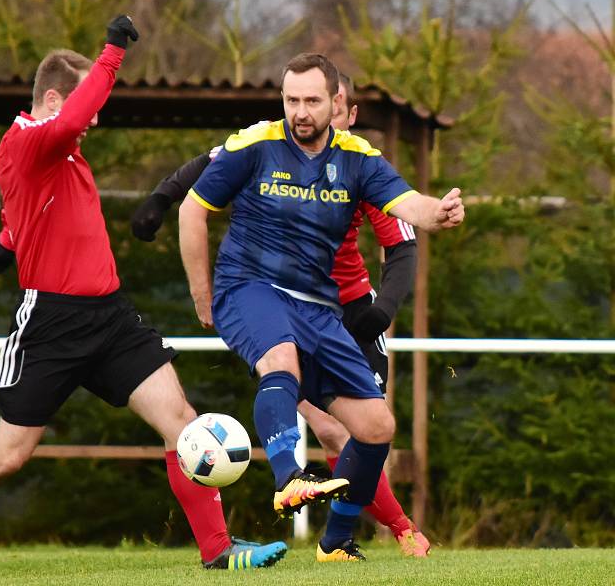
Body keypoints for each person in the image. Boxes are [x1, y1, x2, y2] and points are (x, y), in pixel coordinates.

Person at [0, 16, 286, 572]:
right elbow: (64, 131)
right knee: (8, 456)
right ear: (52, 98)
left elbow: (40, 209)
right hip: (52, 323)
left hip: (110, 317)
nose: (93, 121)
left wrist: (7, 240)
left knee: (181, 421)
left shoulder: (59, 151)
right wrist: (113, 53)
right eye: (87, 108)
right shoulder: (27, 139)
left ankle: (218, 551)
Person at [178, 53, 463, 562]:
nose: (300, 111)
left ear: (336, 103)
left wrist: (437, 212)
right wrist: (204, 296)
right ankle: (289, 477)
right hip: (250, 287)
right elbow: (191, 209)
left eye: (311, 100)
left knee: (377, 427)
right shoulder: (255, 146)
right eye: (291, 100)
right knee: (280, 358)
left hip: (318, 308)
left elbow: (407, 206)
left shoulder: (358, 157)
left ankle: (335, 542)